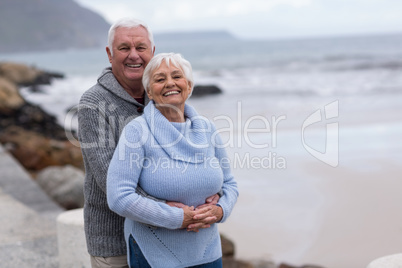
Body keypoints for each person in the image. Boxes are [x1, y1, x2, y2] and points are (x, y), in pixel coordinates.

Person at [78, 18, 219, 268]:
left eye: (141, 47)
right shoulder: (93, 103)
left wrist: (212, 197)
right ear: (110, 55)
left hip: (175, 237)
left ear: (152, 52)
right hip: (115, 242)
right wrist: (169, 210)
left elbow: (190, 161)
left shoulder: (164, 93)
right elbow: (107, 177)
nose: (134, 55)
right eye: (124, 48)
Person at [107, 53, 239, 268]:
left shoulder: (207, 128)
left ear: (188, 85)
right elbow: (119, 197)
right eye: (160, 79)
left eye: (177, 76)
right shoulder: (137, 131)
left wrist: (221, 210)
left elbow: (230, 184)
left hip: (208, 251)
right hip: (155, 253)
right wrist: (176, 218)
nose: (170, 83)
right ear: (149, 91)